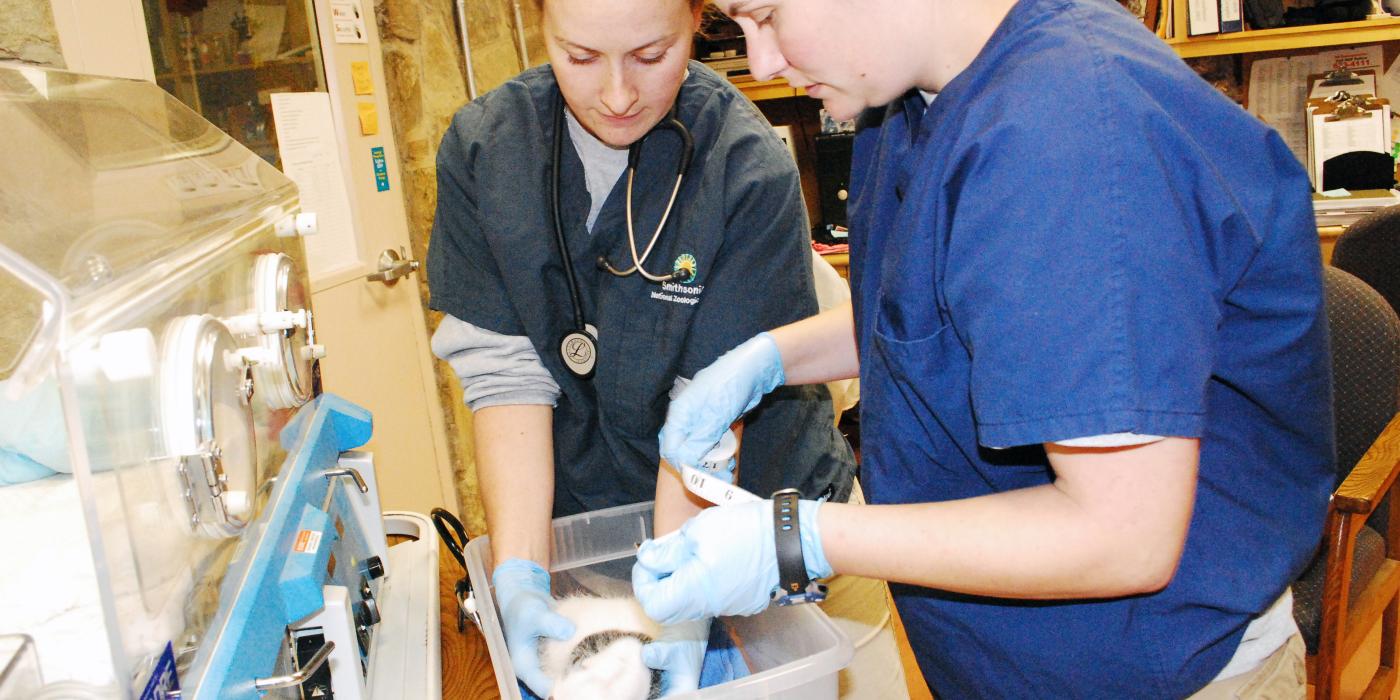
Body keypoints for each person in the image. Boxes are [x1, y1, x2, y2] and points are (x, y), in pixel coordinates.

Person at [633, 0, 1335, 697]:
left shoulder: (1069, 135)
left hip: (1153, 668)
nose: (763, 63)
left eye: (767, 16)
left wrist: (795, 539)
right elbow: (929, 310)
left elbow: (1124, 535)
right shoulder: (907, 95)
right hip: (1004, 661)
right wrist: (766, 360)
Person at [425, 0, 907, 697]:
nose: (617, 95)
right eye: (580, 56)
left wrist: (682, 612)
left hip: (772, 534)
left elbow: (709, 421)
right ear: (539, 27)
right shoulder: (485, 150)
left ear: (697, 20)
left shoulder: (744, 166)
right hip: (599, 552)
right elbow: (506, 380)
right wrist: (522, 574)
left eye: (651, 56)